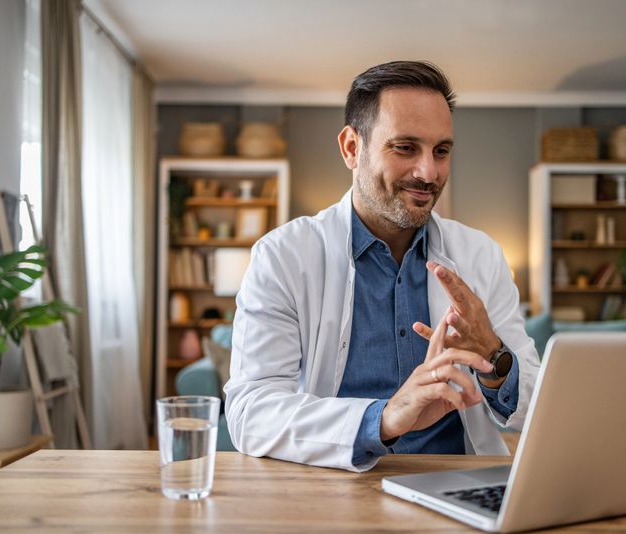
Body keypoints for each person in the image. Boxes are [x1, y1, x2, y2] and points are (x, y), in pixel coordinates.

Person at [224, 61, 539, 472]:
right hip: (332, 483)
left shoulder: (481, 255)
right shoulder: (283, 256)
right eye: (405, 147)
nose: (429, 172)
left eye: (441, 151)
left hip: (458, 481)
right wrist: (384, 419)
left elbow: (535, 403)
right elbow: (250, 412)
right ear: (352, 148)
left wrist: (495, 357)